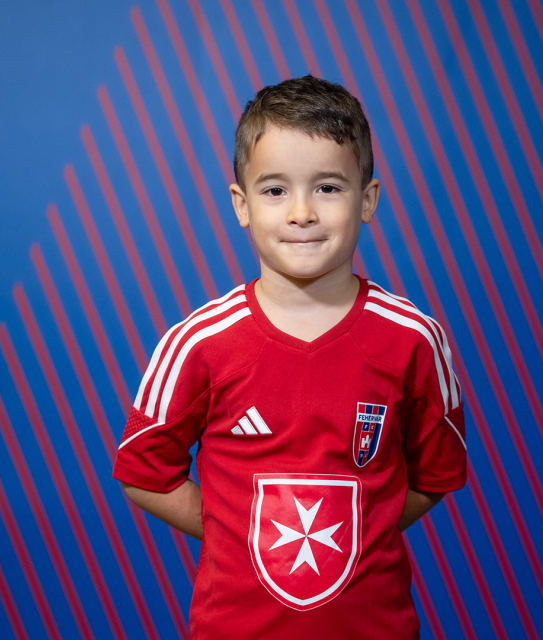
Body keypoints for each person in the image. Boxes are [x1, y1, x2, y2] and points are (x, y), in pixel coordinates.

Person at [113, 75, 466, 639]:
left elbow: (435, 474)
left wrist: (359, 529)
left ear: (368, 199)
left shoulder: (413, 339)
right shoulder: (199, 343)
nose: (302, 212)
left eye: (327, 187)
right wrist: (238, 530)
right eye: (275, 190)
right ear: (242, 205)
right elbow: (143, 473)